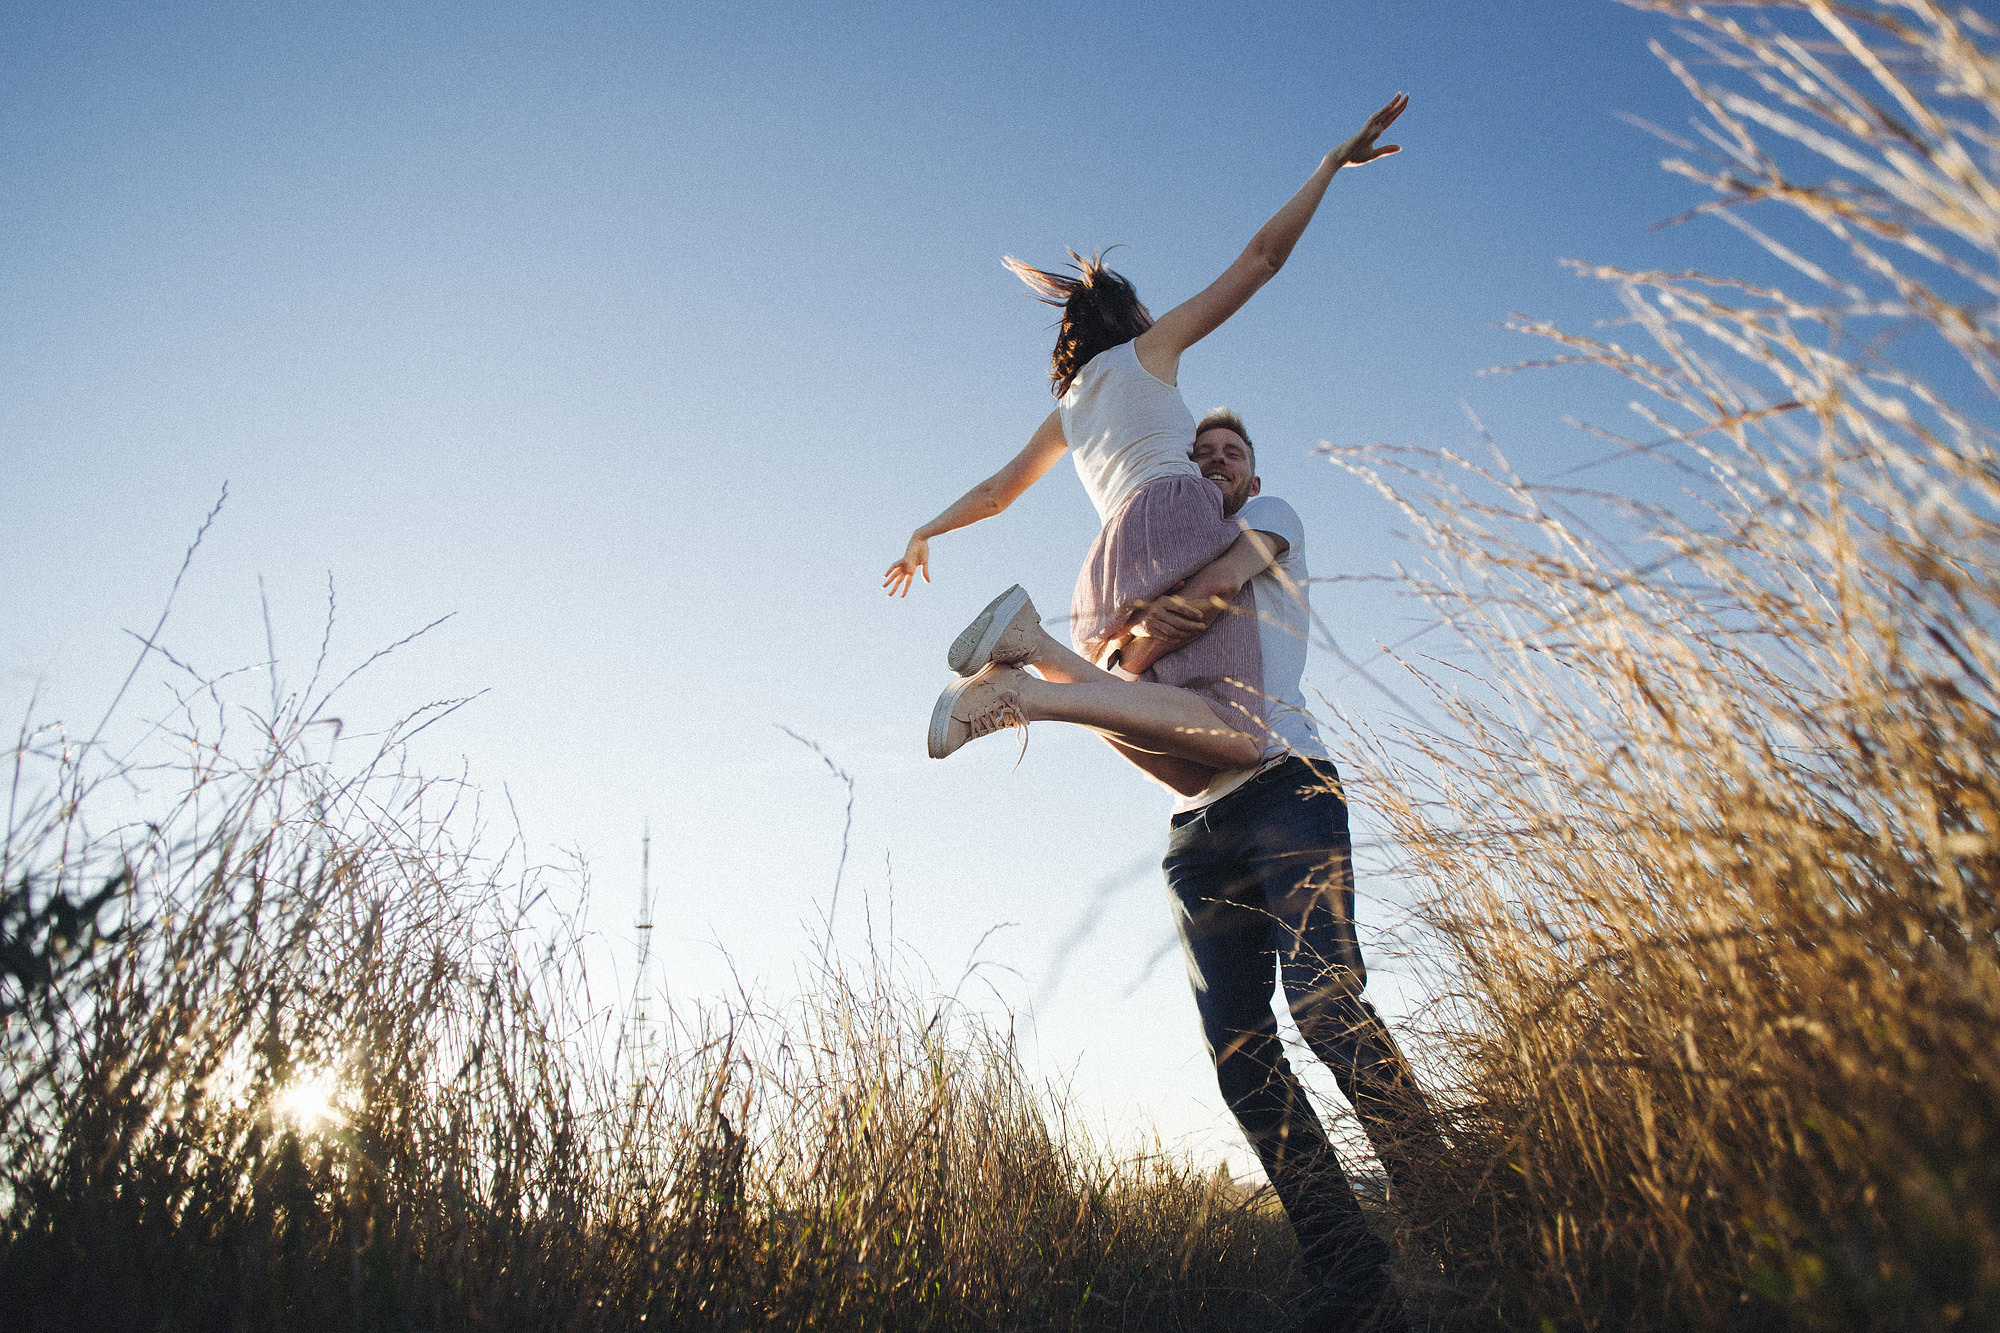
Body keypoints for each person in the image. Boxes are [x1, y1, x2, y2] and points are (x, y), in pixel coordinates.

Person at [882, 94, 1409, 791]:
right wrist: (1330, 165)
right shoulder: (1150, 349)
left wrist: (927, 529)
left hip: (1108, 564)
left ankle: (1028, 645)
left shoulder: (1069, 408)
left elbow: (997, 491)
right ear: (1132, 315)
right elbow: (1261, 259)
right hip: (1173, 519)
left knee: (1176, 753)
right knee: (1243, 725)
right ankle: (1023, 696)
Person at [1157, 409, 1444, 1330]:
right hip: (1196, 829)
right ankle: (1348, 1267)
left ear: (1249, 470)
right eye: (1197, 457)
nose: (1213, 465)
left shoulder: (1271, 512)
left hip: (1289, 784)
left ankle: (1453, 1209)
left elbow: (1218, 586)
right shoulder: (1154, 573)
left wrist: (1152, 622)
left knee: (1325, 1002)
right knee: (1240, 1057)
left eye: (1227, 454)